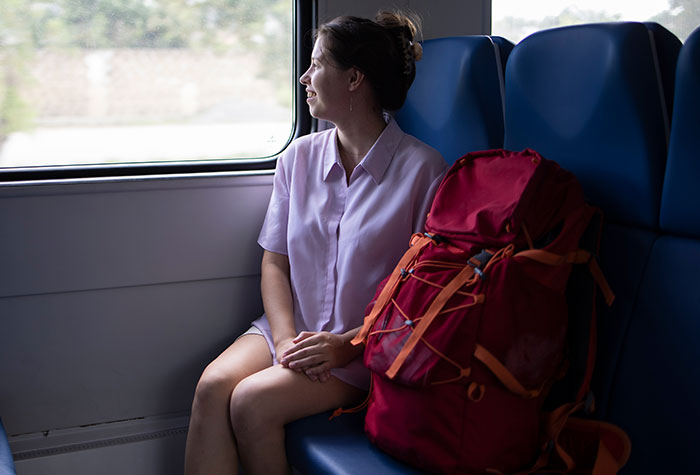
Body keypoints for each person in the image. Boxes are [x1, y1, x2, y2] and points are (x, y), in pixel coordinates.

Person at [184, 10, 447, 475]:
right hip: (293, 326)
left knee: (251, 401)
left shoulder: (422, 170)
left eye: (317, 64)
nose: (305, 77)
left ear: (353, 79)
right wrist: (285, 340)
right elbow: (276, 262)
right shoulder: (298, 159)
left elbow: (420, 297)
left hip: (365, 349)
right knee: (212, 386)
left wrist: (347, 345)